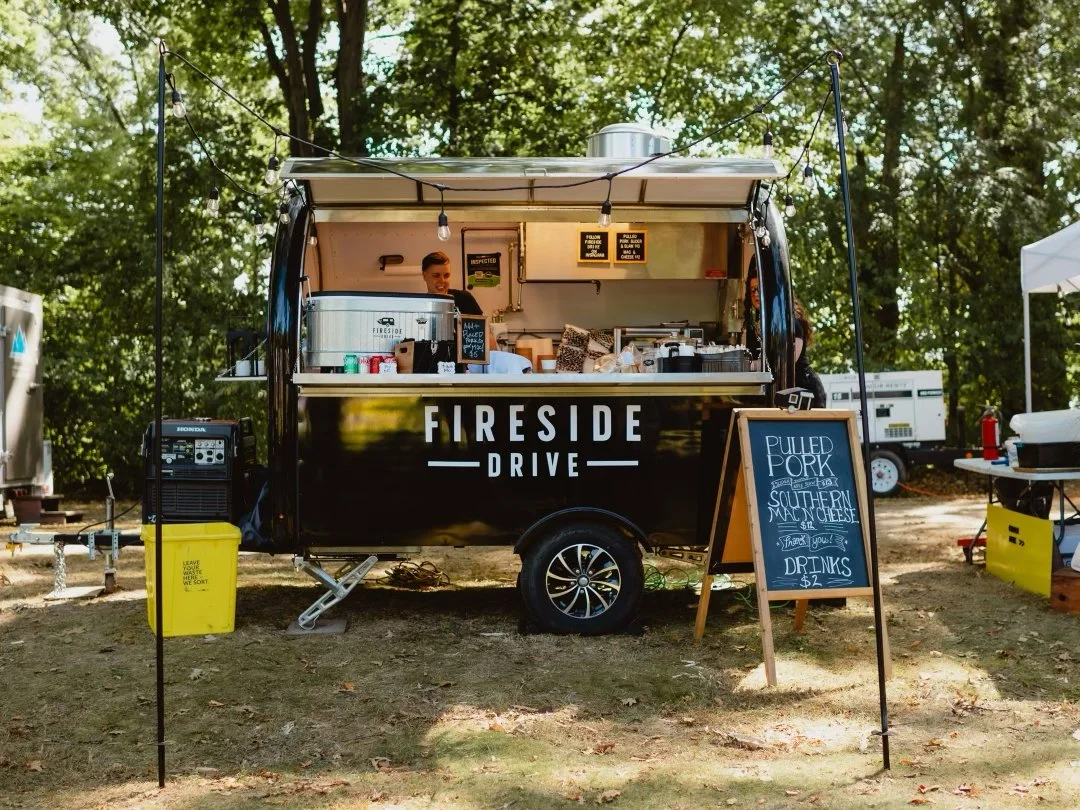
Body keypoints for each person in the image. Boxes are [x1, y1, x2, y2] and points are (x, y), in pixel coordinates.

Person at [744, 271, 826, 408]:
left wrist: (750, 365)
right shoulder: (764, 321)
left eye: (760, 288)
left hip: (804, 391)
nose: (756, 294)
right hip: (786, 392)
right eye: (752, 290)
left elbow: (786, 360)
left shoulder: (791, 322)